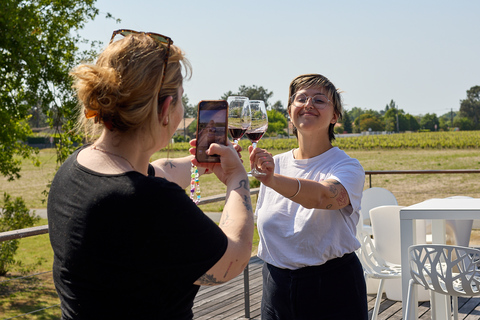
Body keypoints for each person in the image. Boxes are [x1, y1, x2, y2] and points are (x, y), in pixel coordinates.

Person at [47, 29, 254, 320]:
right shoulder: (151, 201)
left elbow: (155, 172)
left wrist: (200, 163)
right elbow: (234, 258)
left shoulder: (77, 167)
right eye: (181, 99)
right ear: (167, 109)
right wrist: (237, 180)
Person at [249, 74, 367, 319]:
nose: (309, 104)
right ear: (290, 113)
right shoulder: (275, 164)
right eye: (300, 98)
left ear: (335, 116)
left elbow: (324, 197)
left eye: (320, 100)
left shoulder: (347, 167)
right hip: (275, 286)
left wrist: (272, 180)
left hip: (333, 288)